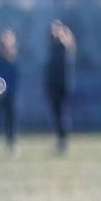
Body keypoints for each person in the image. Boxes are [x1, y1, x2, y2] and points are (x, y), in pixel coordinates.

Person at [45, 20, 76, 155]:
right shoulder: (55, 48)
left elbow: (61, 71)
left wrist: (57, 87)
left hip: (58, 88)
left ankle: (63, 140)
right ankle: (61, 140)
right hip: (57, 87)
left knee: (60, 116)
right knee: (59, 115)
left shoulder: (61, 47)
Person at [0, 28, 19, 158]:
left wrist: (10, 92)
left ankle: (11, 144)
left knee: (11, 121)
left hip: (9, 96)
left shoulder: (12, 61)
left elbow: (14, 79)